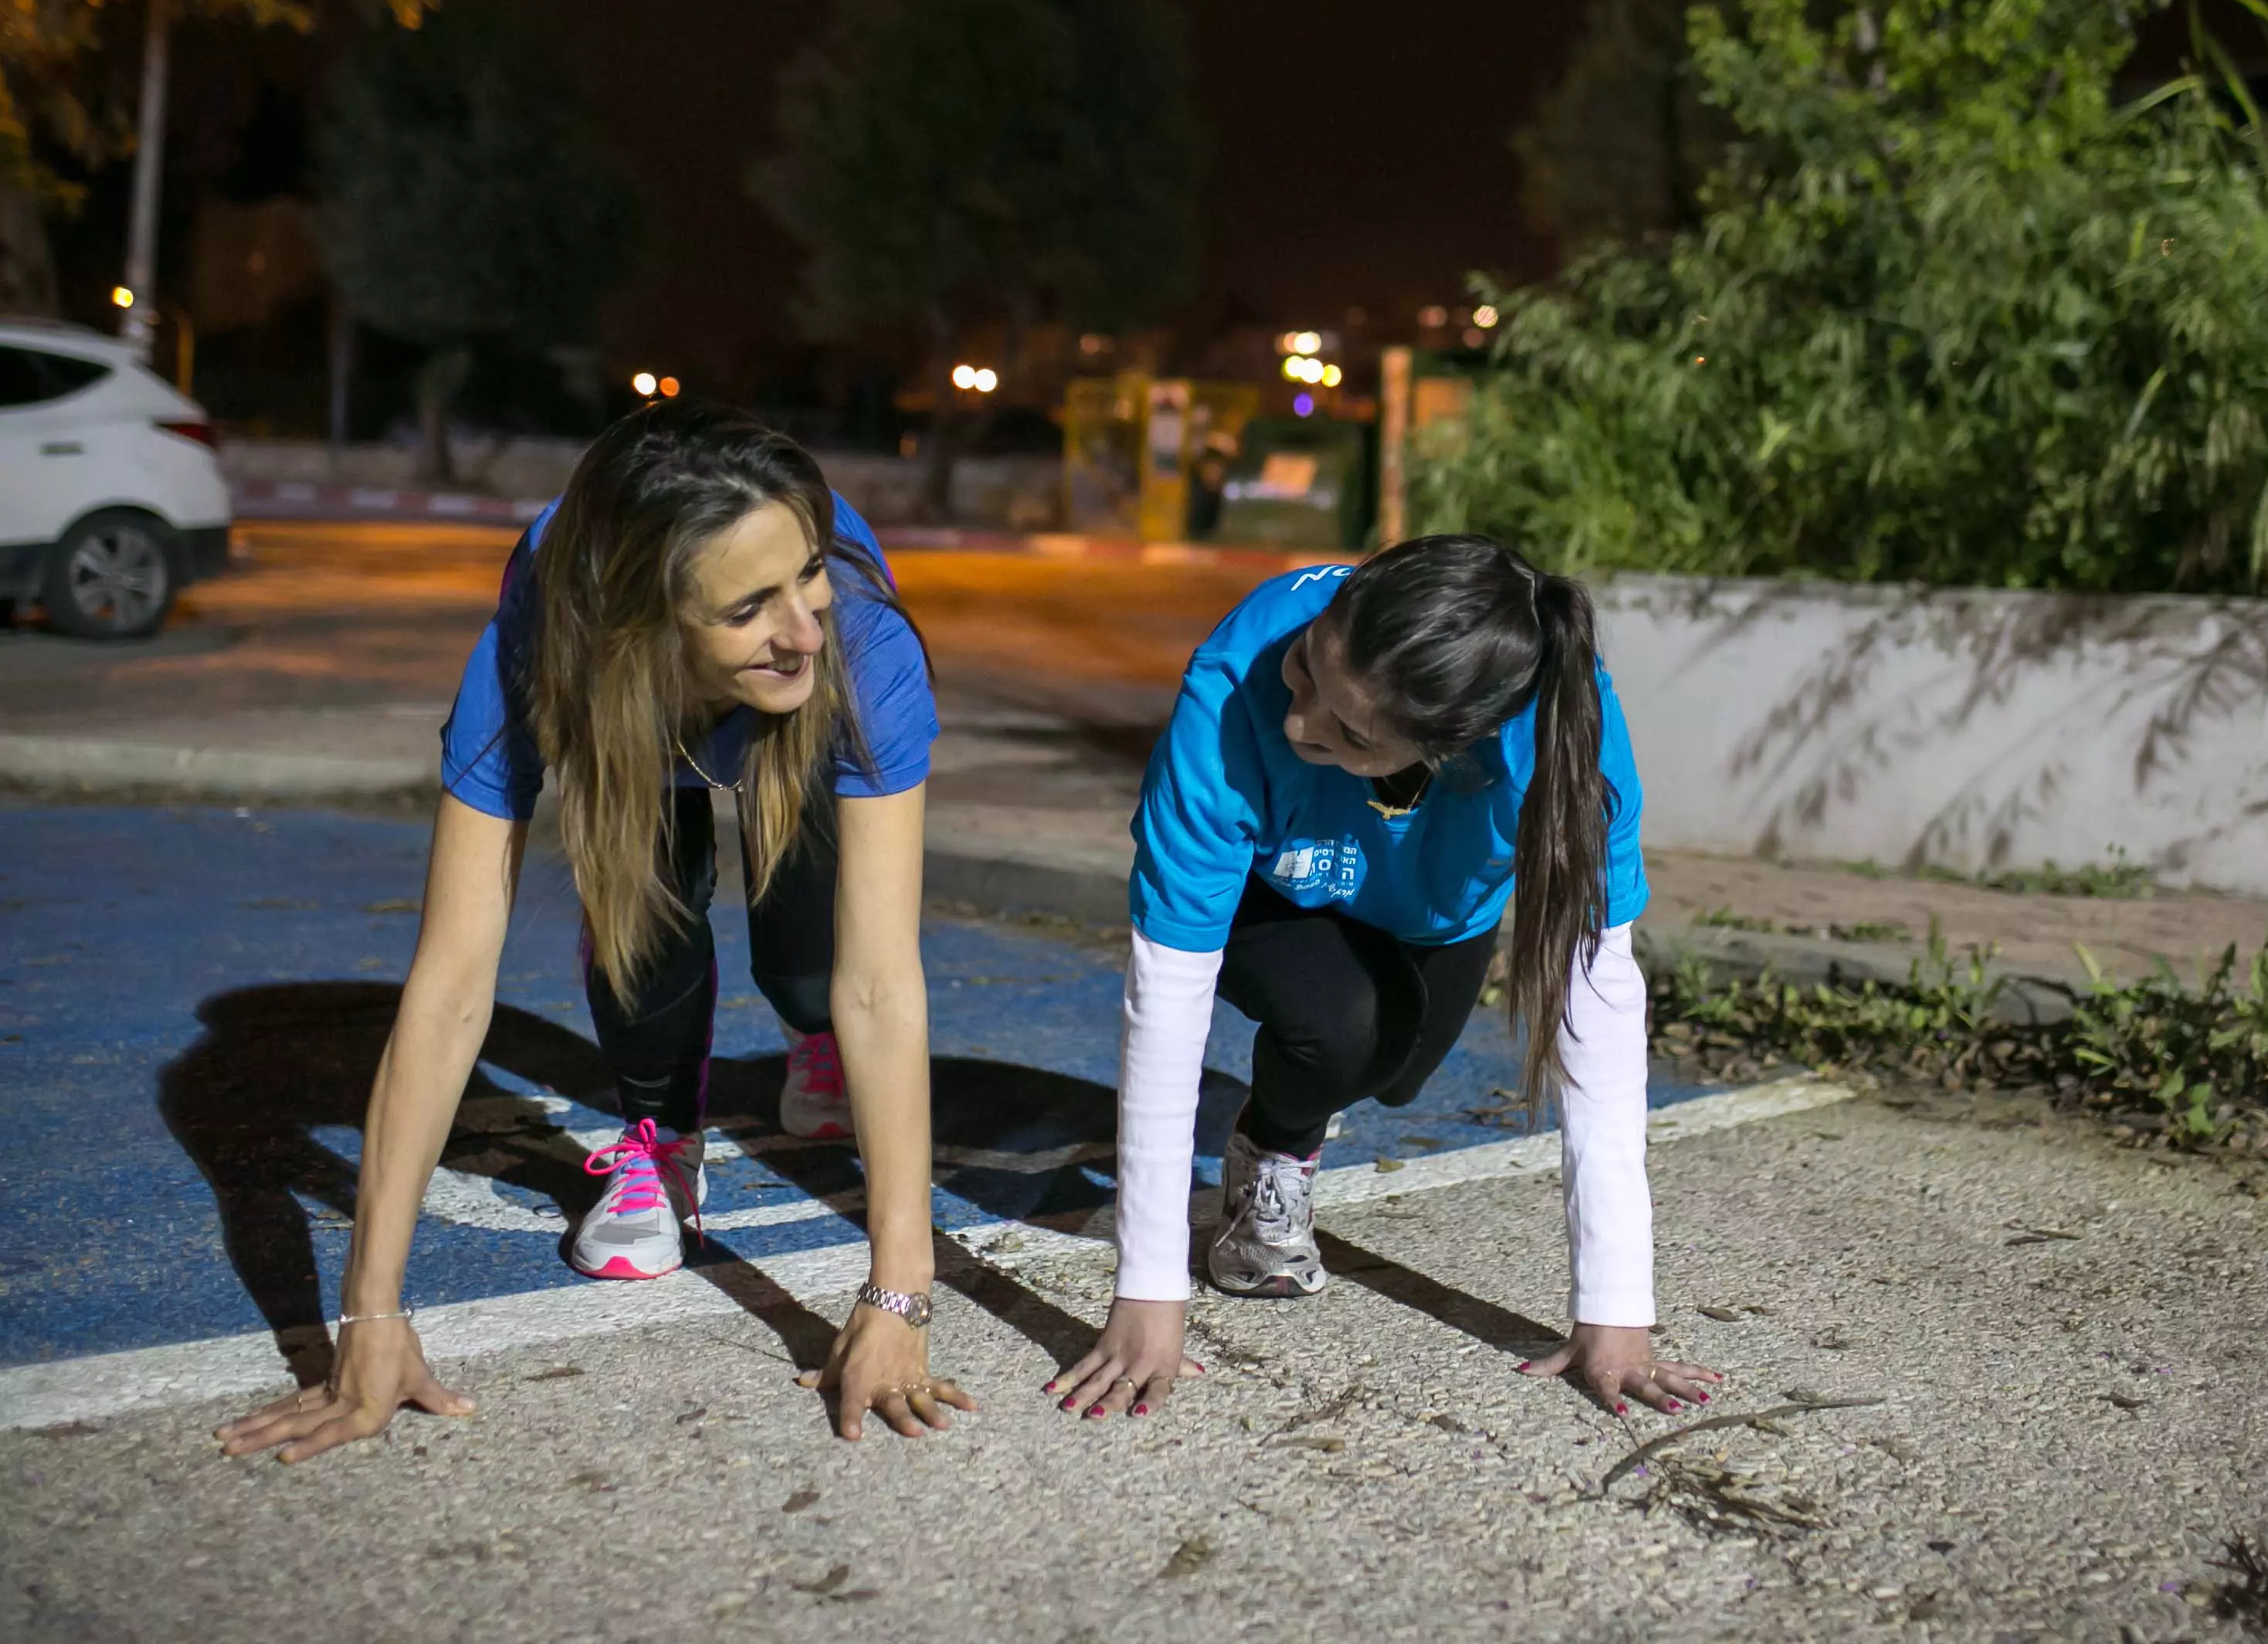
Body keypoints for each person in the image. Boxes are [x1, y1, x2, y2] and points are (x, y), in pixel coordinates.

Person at [218, 403, 975, 1462]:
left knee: (815, 952)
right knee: (645, 900)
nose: (802, 622)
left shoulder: (849, 635)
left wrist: (901, 1293)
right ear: (648, 624)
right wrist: (370, 1316)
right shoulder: (530, 664)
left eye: (803, 573)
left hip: (789, 729)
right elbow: (448, 985)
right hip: (628, 715)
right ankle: (662, 1138)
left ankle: (809, 1047)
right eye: (751, 604)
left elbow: (883, 982)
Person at [1046, 534, 1721, 1422]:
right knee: (1343, 1027)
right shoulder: (1234, 680)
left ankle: (1322, 1078)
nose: (1298, 724)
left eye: (1350, 733)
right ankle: (1271, 1154)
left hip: (1433, 908)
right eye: (1305, 671)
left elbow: (1596, 1005)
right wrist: (1147, 1289)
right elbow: (1166, 999)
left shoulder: (1563, 741)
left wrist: (1616, 1310)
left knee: (1397, 1073)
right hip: (1271, 893)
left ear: (1454, 746)